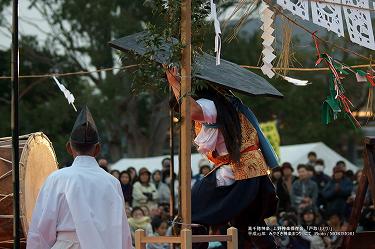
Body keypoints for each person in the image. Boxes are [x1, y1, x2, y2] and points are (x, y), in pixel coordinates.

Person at [166, 67, 279, 248]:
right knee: (249, 221)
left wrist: (175, 83)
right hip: (254, 169)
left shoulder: (211, 103)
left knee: (192, 210)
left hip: (237, 169)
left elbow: (191, 110)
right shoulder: (231, 101)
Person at [26, 106, 132, 249]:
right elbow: (123, 233)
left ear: (69, 148)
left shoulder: (57, 179)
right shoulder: (113, 183)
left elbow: (41, 230)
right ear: (97, 149)